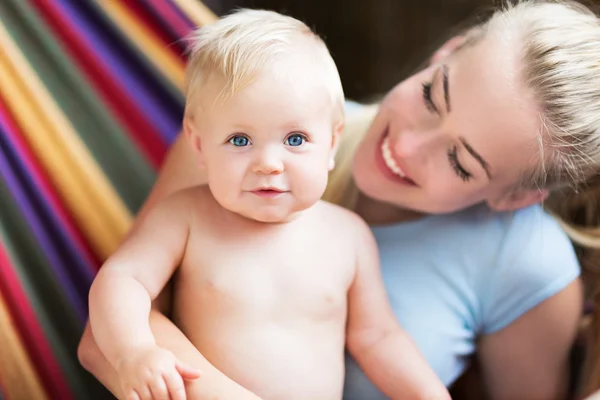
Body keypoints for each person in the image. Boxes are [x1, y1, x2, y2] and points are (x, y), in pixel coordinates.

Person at [78, 0, 600, 399]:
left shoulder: (524, 267)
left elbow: (378, 339)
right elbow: (109, 331)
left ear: (516, 196)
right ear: (447, 51)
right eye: (430, 96)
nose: (408, 146)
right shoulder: (238, 134)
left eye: (461, 162)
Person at [86, 8, 450, 400]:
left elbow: (377, 336)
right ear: (199, 147)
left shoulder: (348, 236)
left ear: (331, 143)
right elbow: (124, 280)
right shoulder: (186, 216)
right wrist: (135, 350)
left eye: (295, 139)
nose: (269, 164)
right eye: (240, 140)